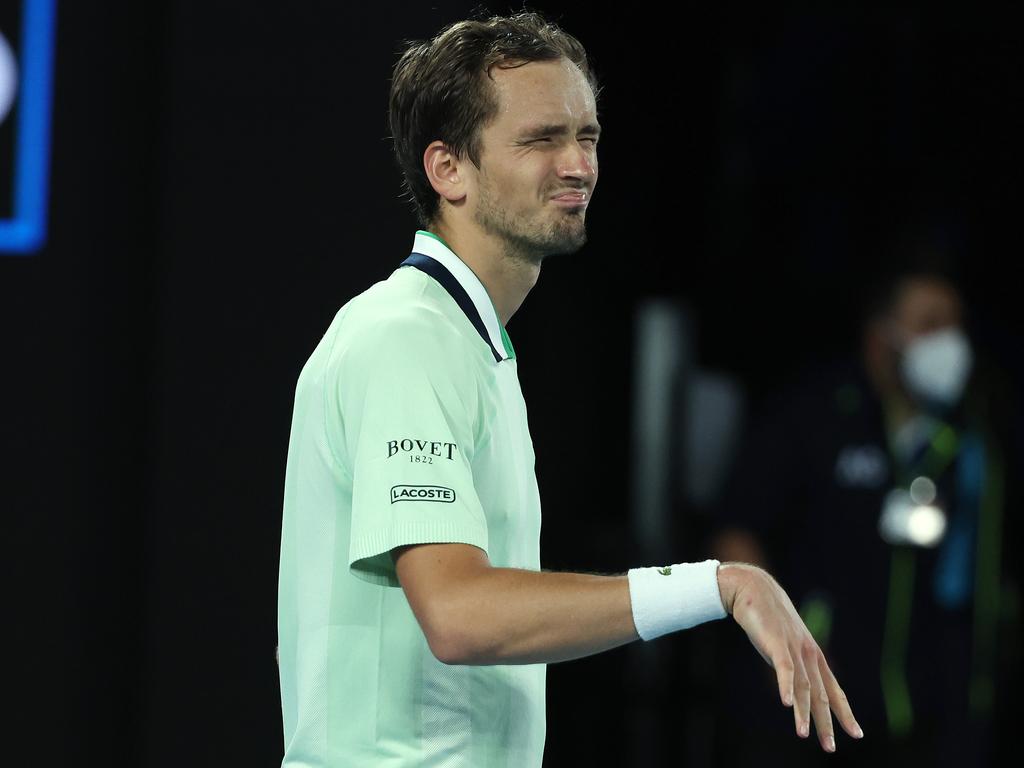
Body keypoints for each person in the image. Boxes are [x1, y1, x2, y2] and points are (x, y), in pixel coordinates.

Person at [276, 11, 863, 766]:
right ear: (446, 168)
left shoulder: (469, 343)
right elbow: (459, 615)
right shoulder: (406, 338)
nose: (578, 165)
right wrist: (714, 586)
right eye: (540, 139)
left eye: (584, 137)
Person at [710, 266, 1020, 766]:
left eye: (955, 325)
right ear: (882, 337)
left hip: (922, 723)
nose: (949, 342)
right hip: (807, 711)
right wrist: (778, 646)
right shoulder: (810, 415)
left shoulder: (973, 438)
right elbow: (737, 531)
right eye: (930, 323)